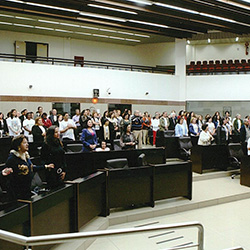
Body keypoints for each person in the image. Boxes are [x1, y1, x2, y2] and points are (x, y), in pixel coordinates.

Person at [3, 135, 54, 199]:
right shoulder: (12, 159)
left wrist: (46, 166)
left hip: (27, 189)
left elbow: (31, 168)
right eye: (24, 143)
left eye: (27, 142)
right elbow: (6, 176)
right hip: (17, 193)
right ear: (18, 145)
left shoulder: (26, 156)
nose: (27, 144)